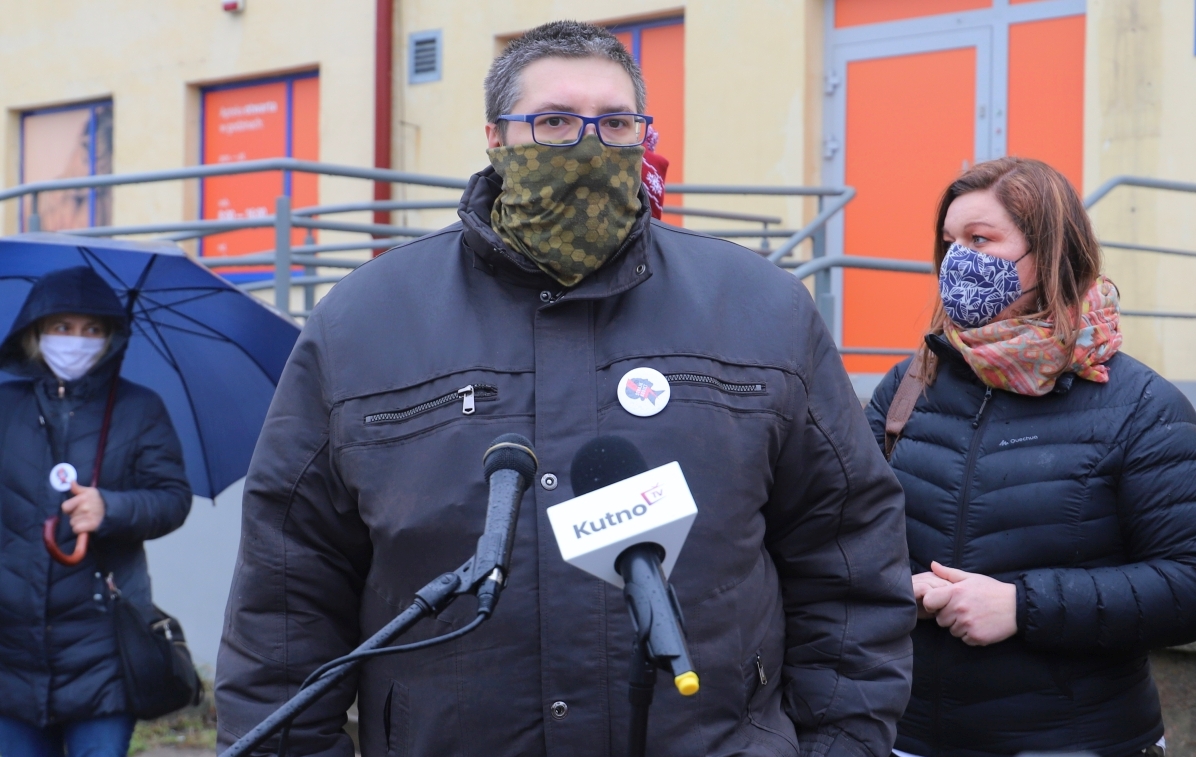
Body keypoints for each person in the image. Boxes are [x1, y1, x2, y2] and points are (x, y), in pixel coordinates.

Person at [217, 20, 915, 757]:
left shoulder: (760, 309)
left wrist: (841, 745)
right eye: (553, 121)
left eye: (616, 123)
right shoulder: (364, 321)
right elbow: (287, 595)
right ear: (495, 138)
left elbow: (848, 555)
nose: (588, 145)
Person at [866, 157, 1196, 757]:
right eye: (950, 243)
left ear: (1049, 254)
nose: (958, 261)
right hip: (905, 734)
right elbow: (844, 528)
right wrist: (896, 584)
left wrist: (1022, 606)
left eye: (980, 240)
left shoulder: (1142, 406)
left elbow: (1187, 583)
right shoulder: (910, 386)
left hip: (1076, 740)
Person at [0, 266, 192, 757]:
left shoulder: (139, 408)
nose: (76, 340)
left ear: (110, 337)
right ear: (36, 332)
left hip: (104, 651)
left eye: (92, 329)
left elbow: (172, 498)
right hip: (11, 654)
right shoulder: (4, 407)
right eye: (62, 326)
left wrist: (113, 508)